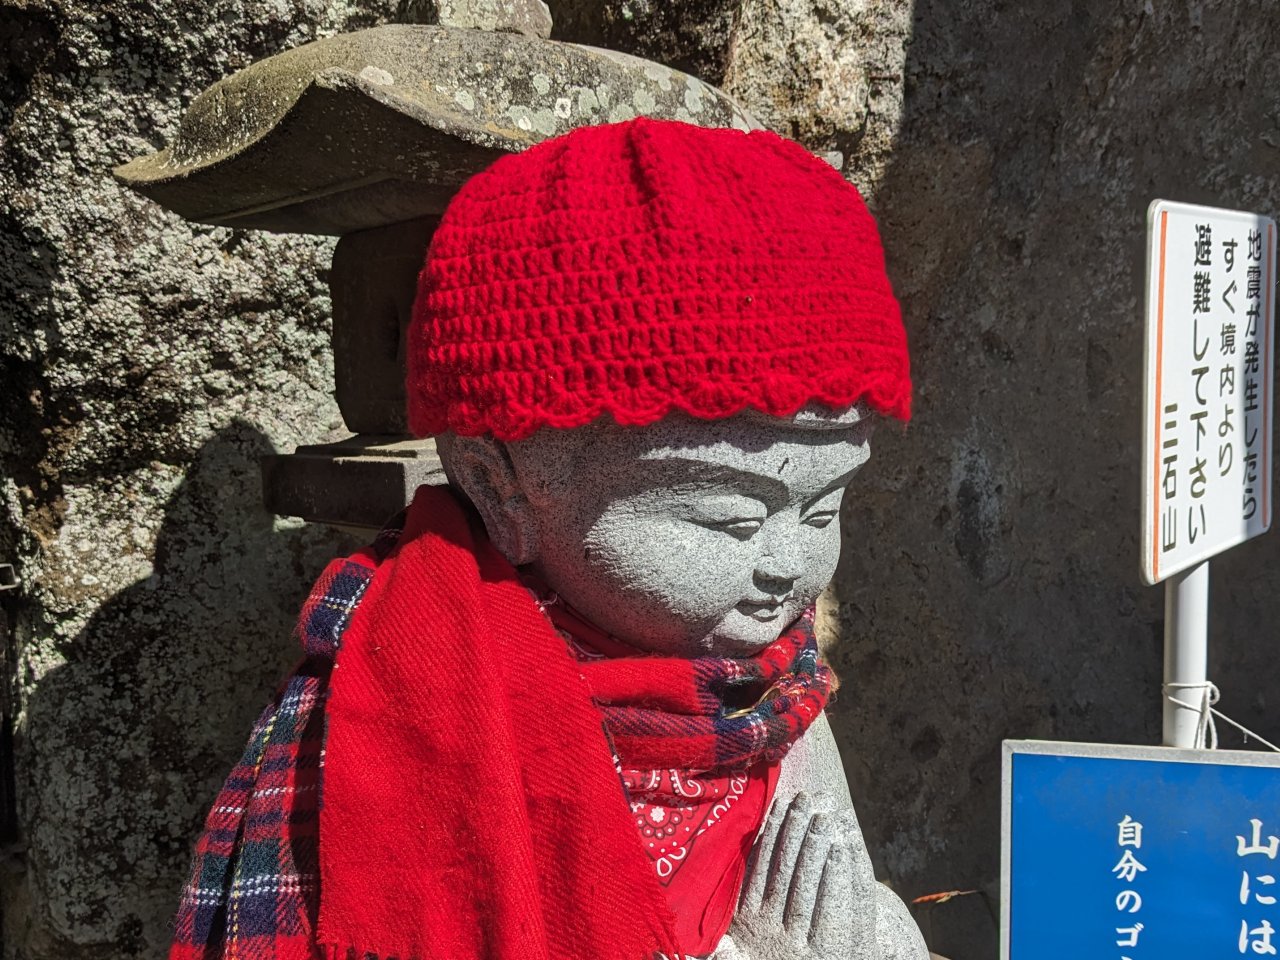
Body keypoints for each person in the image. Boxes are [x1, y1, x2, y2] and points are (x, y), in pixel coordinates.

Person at [168, 117, 916, 960]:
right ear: (500, 486)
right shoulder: (410, 708)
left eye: (822, 510)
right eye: (728, 518)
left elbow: (854, 909)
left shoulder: (776, 688)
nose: (788, 566)